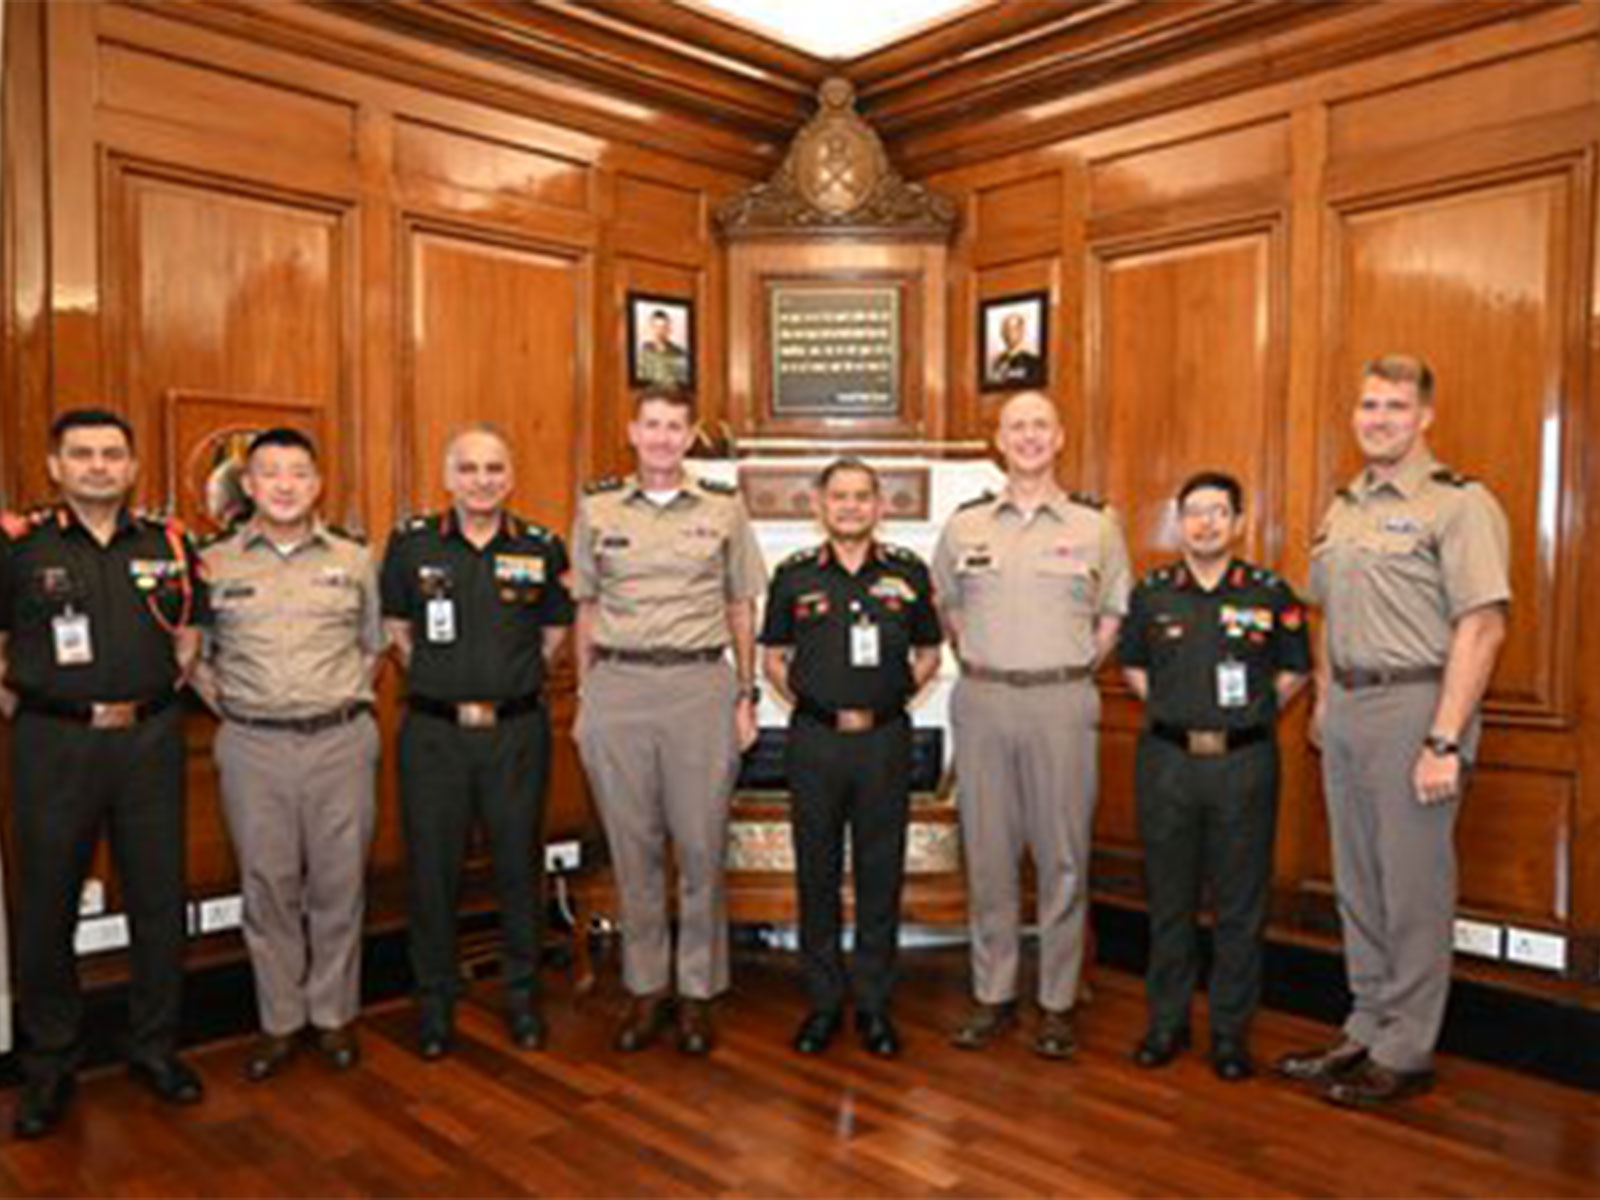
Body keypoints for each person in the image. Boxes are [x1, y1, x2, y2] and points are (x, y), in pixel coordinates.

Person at [1278, 354, 1510, 1107]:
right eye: (1369, 405)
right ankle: (1366, 1026)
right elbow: (1321, 612)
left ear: (1425, 417)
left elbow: (1482, 627)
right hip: (1345, 711)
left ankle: (1407, 1048)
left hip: (1416, 711)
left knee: (1411, 889)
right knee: (1360, 884)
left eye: (1396, 407)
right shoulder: (1345, 506)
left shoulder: (1459, 504)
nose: (1379, 418)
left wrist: (1445, 739)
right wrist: (1320, 699)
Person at [0, 408, 210, 1138]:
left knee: (159, 900)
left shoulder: (170, 543)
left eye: (112, 454)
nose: (98, 465)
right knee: (46, 905)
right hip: (53, 744)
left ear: (132, 466)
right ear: (56, 466)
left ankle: (154, 1050)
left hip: (149, 737)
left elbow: (190, 641)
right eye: (82, 454)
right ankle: (50, 1066)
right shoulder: (19, 546)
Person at [932, 390, 1131, 1058]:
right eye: (1016, 426)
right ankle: (993, 995)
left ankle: (1057, 1002)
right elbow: (949, 610)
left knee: (1063, 857)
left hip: (1062, 703)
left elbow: (1111, 619)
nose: (1028, 436)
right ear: (999, 439)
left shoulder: (1096, 525)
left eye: (1040, 425)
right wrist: (994, 663)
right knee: (987, 855)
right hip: (985, 700)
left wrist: (1060, 668)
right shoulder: (964, 528)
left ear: (1060, 436)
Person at [572, 386, 766, 1056]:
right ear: (633, 432)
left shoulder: (723, 508)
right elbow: (587, 609)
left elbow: (742, 605)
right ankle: (647, 988)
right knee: (634, 848)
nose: (660, 437)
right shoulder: (596, 508)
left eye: (673, 426)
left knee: (702, 846)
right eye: (650, 425)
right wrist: (586, 698)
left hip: (698, 686)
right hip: (619, 686)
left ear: (689, 437)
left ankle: (698, 992)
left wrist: (746, 694)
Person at [193, 428, 383, 1082]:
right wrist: (242, 710)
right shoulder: (215, 564)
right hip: (253, 746)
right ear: (248, 486)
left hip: (341, 740)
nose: (283, 484)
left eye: (298, 472)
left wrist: (337, 700)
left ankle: (332, 1015)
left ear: (316, 483)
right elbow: (195, 659)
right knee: (267, 885)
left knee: (339, 883)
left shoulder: (357, 560)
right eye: (269, 473)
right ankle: (279, 1021)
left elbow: (372, 645)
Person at [380, 424, 574, 1059]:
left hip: (517, 733)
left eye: (494, 468)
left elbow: (553, 638)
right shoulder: (410, 546)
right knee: (432, 875)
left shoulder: (543, 547)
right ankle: (434, 1004)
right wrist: (447, 686)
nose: (482, 480)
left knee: (520, 868)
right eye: (469, 468)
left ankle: (523, 998)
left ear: (510, 477)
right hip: (433, 735)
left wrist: (503, 688)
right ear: (448, 476)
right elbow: (397, 631)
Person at [1118, 471, 1310, 1081]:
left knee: (1239, 907)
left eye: (1218, 512)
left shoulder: (1270, 592)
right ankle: (1166, 1025)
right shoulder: (1152, 593)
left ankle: (1230, 1035)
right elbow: (1134, 669)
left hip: (1244, 765)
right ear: (1180, 520)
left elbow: (1294, 673)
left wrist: (1244, 718)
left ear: (1239, 521)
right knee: (1169, 903)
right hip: (1168, 762)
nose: (1205, 523)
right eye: (1194, 512)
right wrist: (1182, 714)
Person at [760, 458, 942, 1058]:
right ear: (819, 505)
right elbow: (774, 660)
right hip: (814, 742)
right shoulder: (792, 576)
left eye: (863, 497)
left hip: (885, 742)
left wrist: (886, 701)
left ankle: (873, 1005)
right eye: (840, 497)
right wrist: (816, 705)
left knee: (879, 874)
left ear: (879, 506)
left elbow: (929, 654)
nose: (851, 507)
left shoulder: (908, 574)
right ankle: (822, 1003)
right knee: (815, 873)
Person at [637, 309, 690, 389]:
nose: (660, 331)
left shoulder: (680, 354)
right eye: (656, 327)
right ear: (651, 328)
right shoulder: (642, 355)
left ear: (669, 329)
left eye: (663, 327)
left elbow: (685, 381)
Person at [987, 311, 1041, 387]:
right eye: (1005, 329)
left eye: (1012, 329)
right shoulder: (998, 361)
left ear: (1021, 331)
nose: (1007, 334)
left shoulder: (1033, 362)